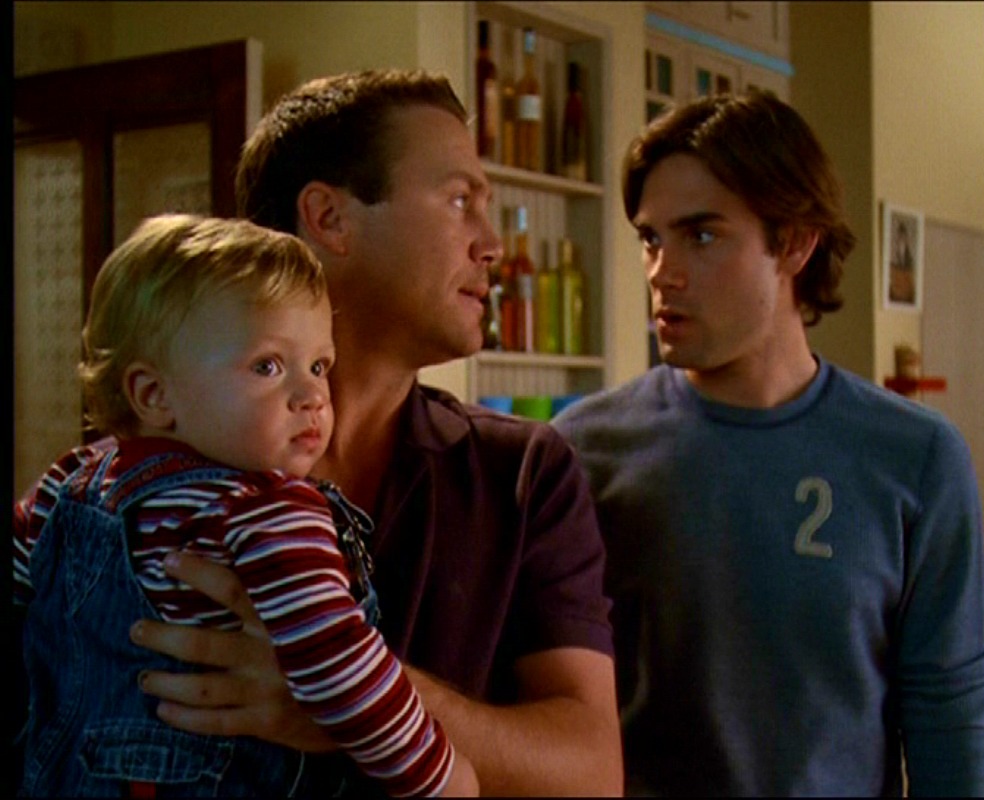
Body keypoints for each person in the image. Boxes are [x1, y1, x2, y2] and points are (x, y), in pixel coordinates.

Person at [125, 71, 623, 797]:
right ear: (329, 218)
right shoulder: (156, 458)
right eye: (460, 201)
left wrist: (348, 695)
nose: (491, 245)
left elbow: (593, 774)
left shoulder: (522, 474)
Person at [551, 91, 984, 796]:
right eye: (651, 239)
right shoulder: (582, 452)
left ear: (793, 242)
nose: (662, 272)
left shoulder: (916, 458)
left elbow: (948, 717)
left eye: (701, 236)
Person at [14, 214, 477, 797]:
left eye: (319, 366)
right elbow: (339, 665)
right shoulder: (269, 511)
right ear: (153, 395)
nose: (312, 395)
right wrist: (440, 773)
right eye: (267, 366)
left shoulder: (69, 483)